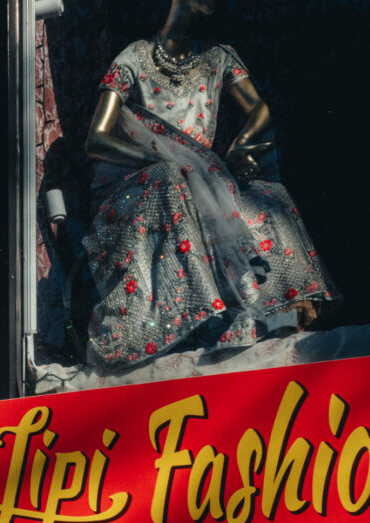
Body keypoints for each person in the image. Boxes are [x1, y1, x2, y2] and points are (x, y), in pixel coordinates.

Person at [80, 0, 336, 367]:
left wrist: (241, 143)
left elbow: (260, 108)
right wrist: (166, 158)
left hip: (205, 183)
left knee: (268, 198)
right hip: (142, 188)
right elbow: (97, 139)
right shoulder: (134, 59)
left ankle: (270, 322)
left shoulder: (218, 58)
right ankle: (196, 322)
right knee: (170, 180)